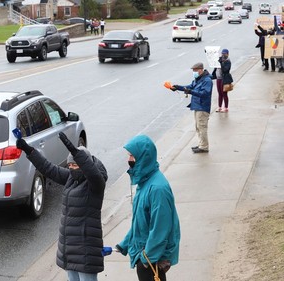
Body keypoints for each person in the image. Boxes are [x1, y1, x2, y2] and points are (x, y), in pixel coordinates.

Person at [16, 132, 108, 281]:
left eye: (75, 165)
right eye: (69, 165)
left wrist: (75, 152)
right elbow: (48, 169)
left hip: (86, 249)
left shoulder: (95, 184)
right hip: (70, 247)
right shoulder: (72, 178)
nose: (71, 168)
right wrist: (29, 150)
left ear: (84, 164)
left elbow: (93, 174)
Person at [115, 134, 180, 281]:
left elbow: (160, 228)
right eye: (128, 155)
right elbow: (140, 222)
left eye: (132, 155)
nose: (129, 160)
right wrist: (124, 244)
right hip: (146, 254)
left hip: (152, 257)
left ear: (143, 157)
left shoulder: (157, 188)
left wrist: (146, 258)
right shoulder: (145, 182)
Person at [171, 62, 213, 153]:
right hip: (197, 106)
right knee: (198, 127)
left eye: (195, 70)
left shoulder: (207, 80)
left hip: (202, 106)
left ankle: (204, 147)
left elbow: (205, 94)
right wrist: (178, 87)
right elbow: (189, 87)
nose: (194, 72)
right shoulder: (198, 79)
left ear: (201, 70)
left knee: (202, 127)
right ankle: (201, 144)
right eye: (193, 71)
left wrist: (190, 92)